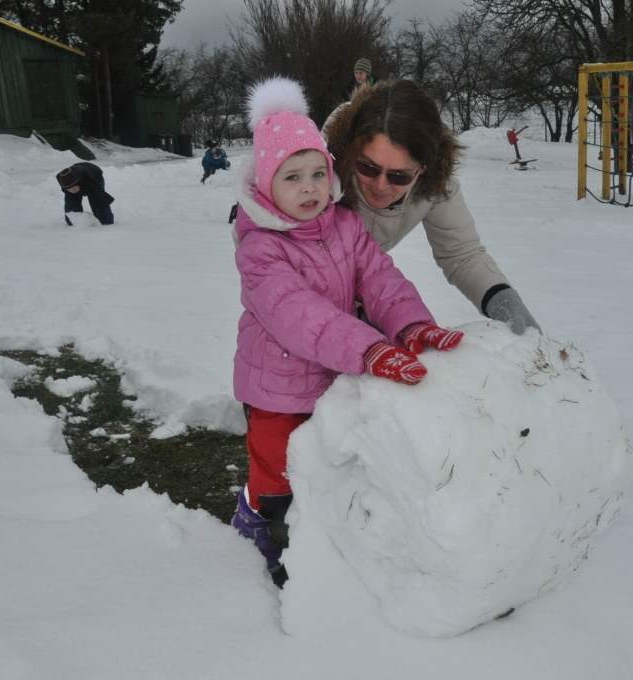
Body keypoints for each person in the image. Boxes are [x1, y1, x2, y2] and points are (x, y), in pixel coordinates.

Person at [230, 77, 465, 587]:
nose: (310, 187)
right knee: (277, 473)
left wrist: (413, 326)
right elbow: (297, 314)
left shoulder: (342, 224)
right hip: (277, 387)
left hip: (331, 372)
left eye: (318, 173)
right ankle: (260, 524)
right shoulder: (260, 246)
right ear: (266, 184)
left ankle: (322, 531)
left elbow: (380, 279)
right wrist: (370, 348)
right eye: (292, 177)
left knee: (326, 463)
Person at [323, 79, 540, 335]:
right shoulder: (318, 169)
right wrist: (356, 313)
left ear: (423, 170)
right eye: (368, 167)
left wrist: (508, 306)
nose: (381, 185)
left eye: (399, 176)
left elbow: (462, 254)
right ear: (350, 152)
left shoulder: (435, 184)